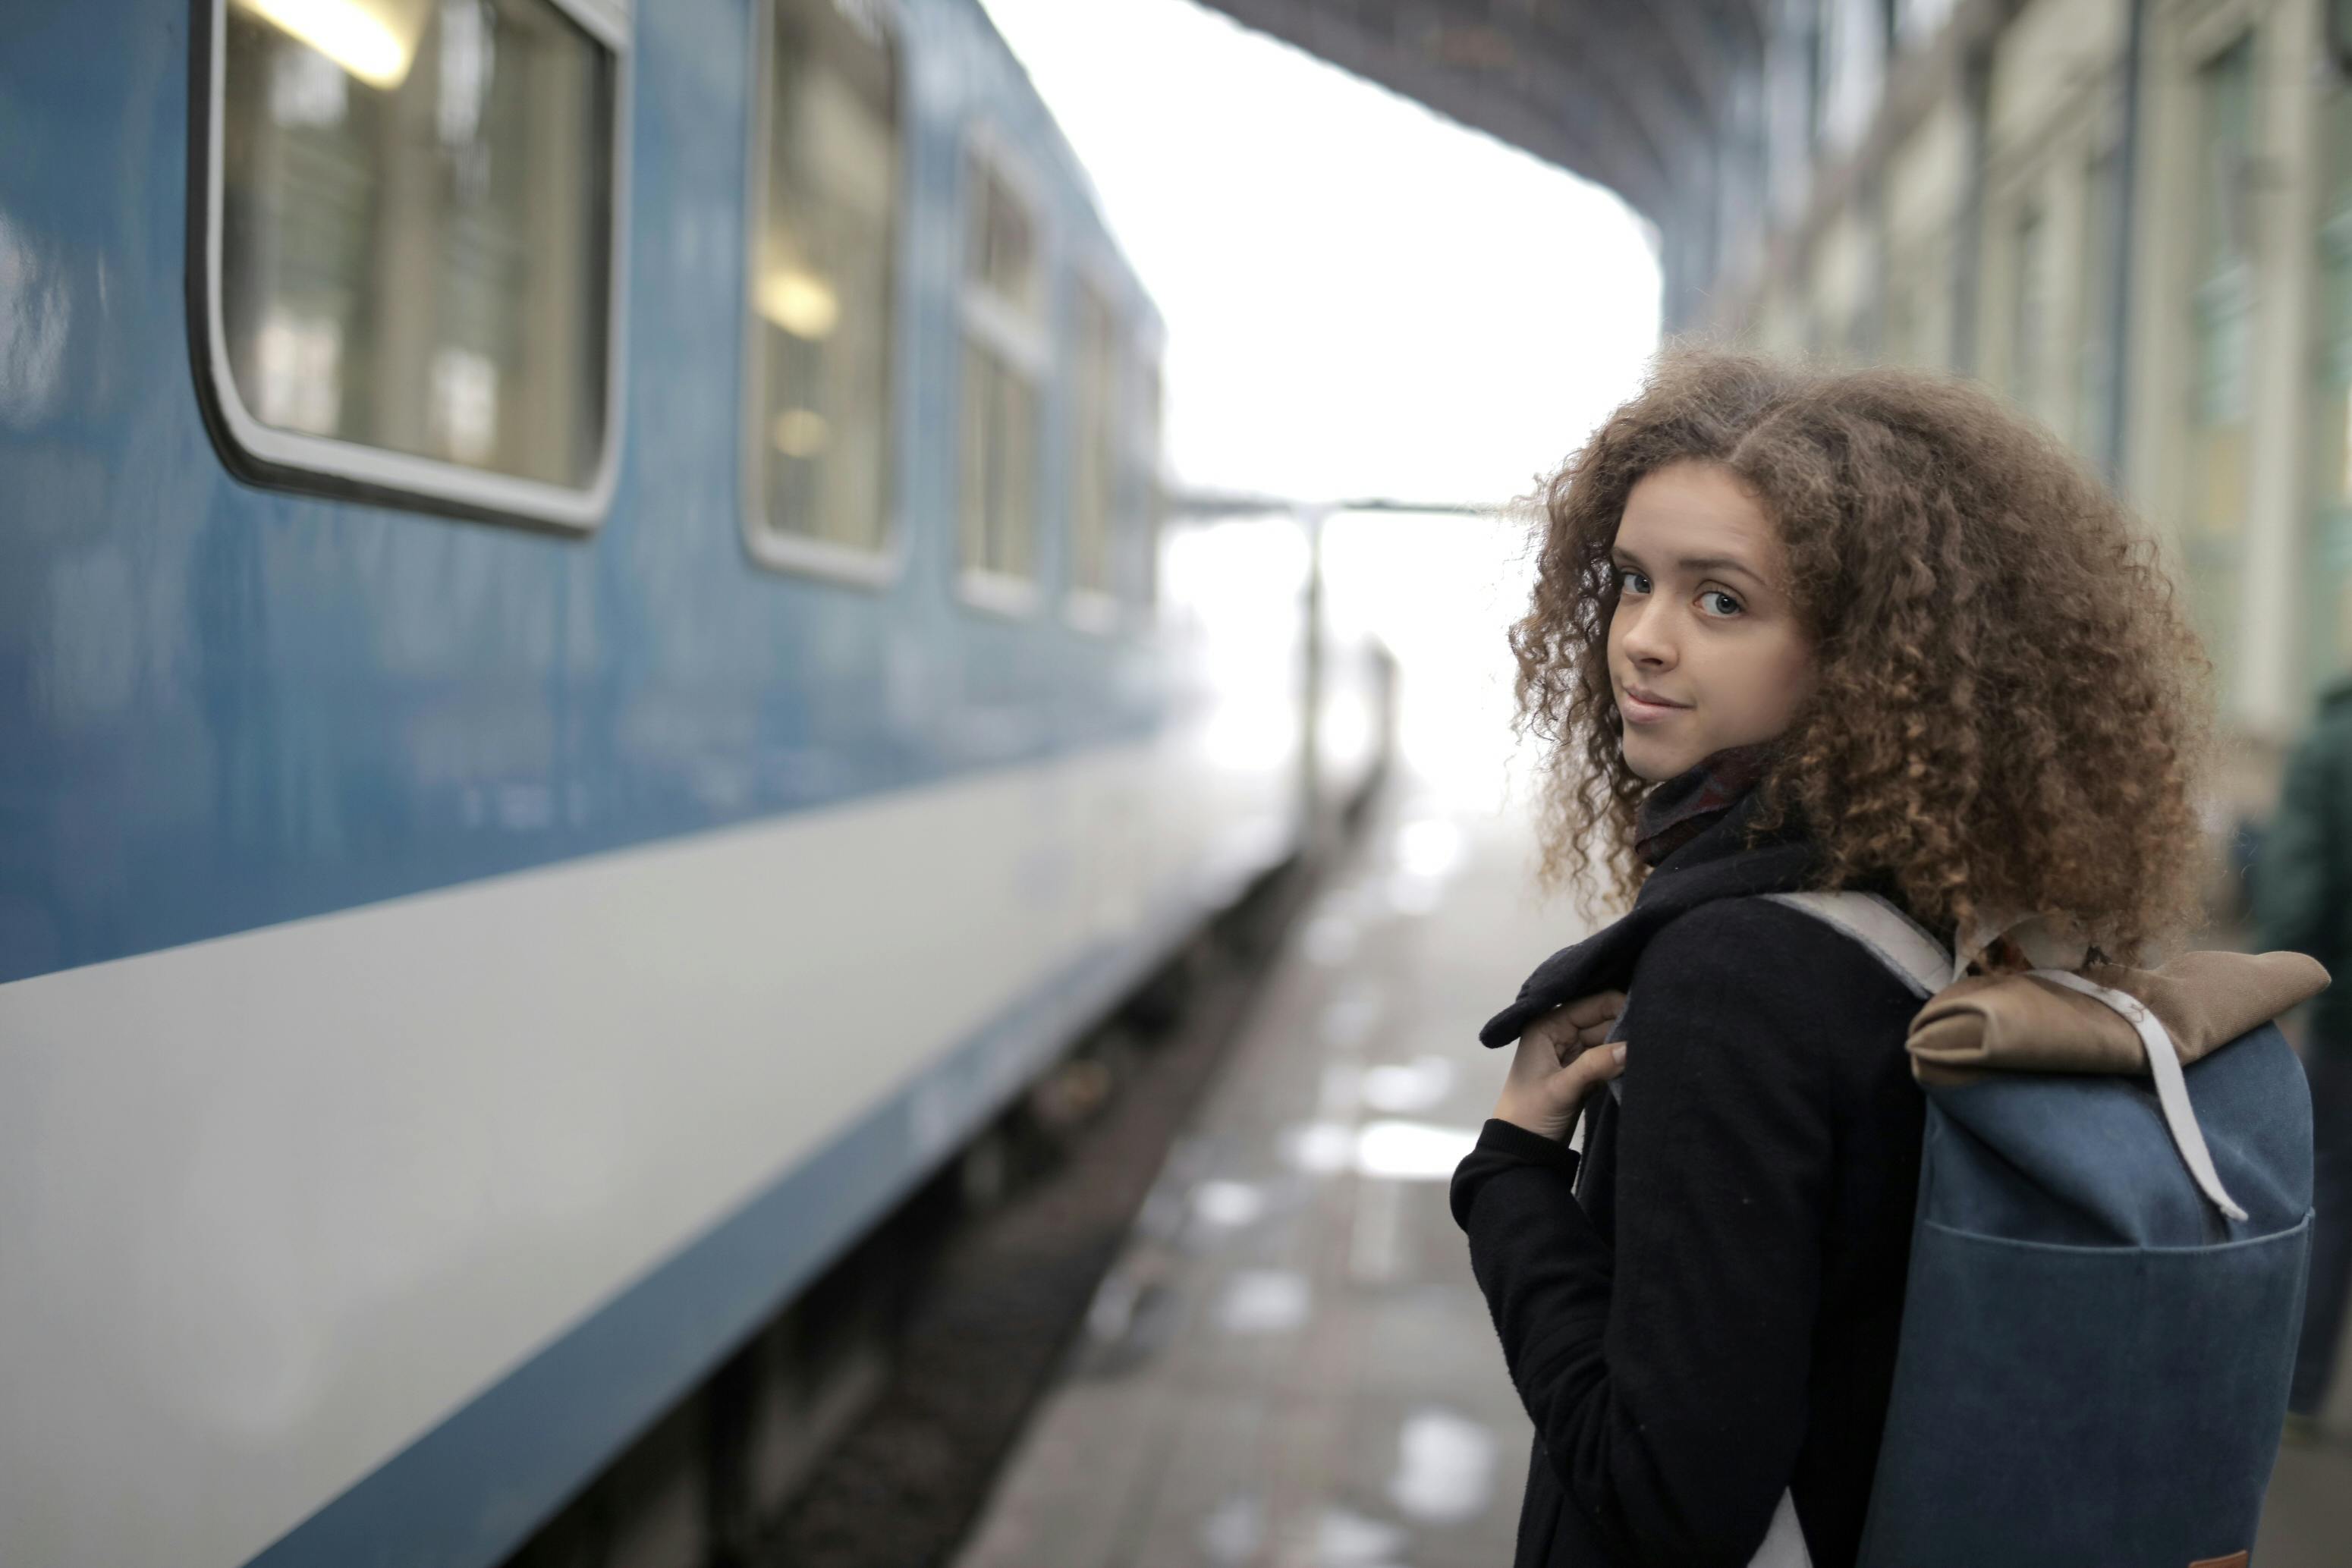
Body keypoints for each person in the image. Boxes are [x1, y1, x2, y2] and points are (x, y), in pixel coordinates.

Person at [1451, 348, 2210, 1568]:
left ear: (1858, 651)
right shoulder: (1932, 906)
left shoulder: (1733, 978)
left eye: (1722, 600)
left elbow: (1665, 1503)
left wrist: (1510, 1175)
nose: (1642, 639)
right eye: (1634, 581)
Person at [2256, 674, 2352, 1438]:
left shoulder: (2330, 746)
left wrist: (2272, 990)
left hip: (2347, 1020)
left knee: (2331, 1187)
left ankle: (2297, 1389)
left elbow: (2300, 890)